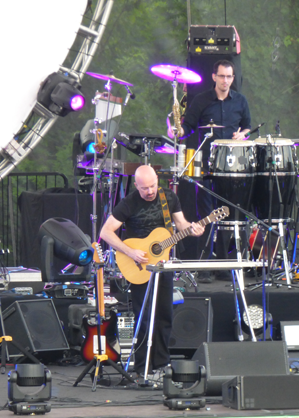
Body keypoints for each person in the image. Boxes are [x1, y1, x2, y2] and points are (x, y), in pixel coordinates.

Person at [100, 165, 204, 379]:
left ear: (157, 180)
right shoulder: (129, 203)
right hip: (140, 266)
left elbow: (181, 224)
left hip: (163, 265)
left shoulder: (169, 197)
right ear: (136, 185)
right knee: (144, 317)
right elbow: (106, 232)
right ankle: (142, 367)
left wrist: (193, 230)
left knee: (165, 315)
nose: (150, 191)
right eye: (145, 188)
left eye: (153, 186)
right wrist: (130, 251)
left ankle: (162, 363)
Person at [175, 59, 252, 282]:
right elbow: (188, 127)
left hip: (231, 166)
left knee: (227, 214)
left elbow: (247, 126)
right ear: (214, 77)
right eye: (222, 76)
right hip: (206, 165)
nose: (225, 81)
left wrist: (242, 134)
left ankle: (224, 265)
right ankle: (205, 266)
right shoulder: (201, 100)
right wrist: (178, 130)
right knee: (207, 214)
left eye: (229, 77)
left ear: (232, 78)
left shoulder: (240, 101)